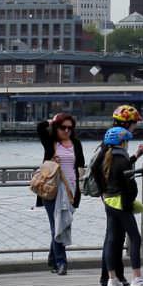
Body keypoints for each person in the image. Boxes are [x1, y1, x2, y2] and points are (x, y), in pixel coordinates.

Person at [98, 108, 143, 286]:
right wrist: (131, 200)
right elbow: (129, 184)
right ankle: (137, 277)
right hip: (122, 203)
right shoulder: (123, 160)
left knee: (112, 238)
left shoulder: (106, 157)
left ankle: (112, 279)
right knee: (135, 238)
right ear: (123, 142)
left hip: (109, 201)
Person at [36, 112, 84, 275]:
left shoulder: (76, 143)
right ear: (56, 128)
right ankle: (61, 262)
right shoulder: (51, 143)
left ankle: (52, 259)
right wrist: (51, 121)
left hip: (71, 190)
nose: (66, 131)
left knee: (62, 223)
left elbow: (81, 166)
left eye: (70, 128)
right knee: (57, 225)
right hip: (52, 189)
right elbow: (40, 128)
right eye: (63, 127)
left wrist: (79, 191)